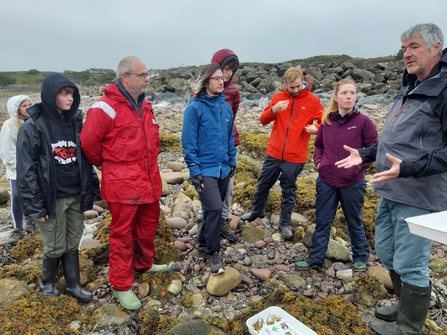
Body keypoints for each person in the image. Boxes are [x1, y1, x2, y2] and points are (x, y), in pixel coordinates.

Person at [335, 23, 446, 334]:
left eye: (414, 47)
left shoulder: (444, 88)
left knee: (411, 260)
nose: (406, 54)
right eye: (403, 48)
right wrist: (368, 154)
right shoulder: (411, 83)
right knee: (386, 250)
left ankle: (409, 327)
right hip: (390, 186)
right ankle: (402, 301)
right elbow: (400, 138)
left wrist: (408, 168)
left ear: (436, 48)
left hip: (419, 193)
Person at [80, 56, 168, 311]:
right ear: (124, 78)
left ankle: (143, 263)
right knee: (122, 234)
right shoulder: (104, 107)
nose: (146, 79)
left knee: (148, 224)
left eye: (146, 74)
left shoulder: (146, 105)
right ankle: (120, 284)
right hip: (122, 186)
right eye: (141, 75)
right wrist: (107, 165)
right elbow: (88, 143)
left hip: (149, 181)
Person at [16, 73, 97, 303]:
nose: (70, 98)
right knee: (54, 244)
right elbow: (26, 171)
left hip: (74, 194)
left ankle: (73, 285)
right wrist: (34, 206)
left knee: (72, 242)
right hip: (51, 198)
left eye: (71, 94)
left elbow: (84, 160)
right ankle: (47, 283)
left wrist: (91, 188)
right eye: (64, 94)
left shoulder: (75, 122)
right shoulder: (32, 127)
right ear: (51, 96)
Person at [295, 79, 378, 272]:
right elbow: (319, 146)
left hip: (352, 182)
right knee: (322, 221)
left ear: (356, 96)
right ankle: (316, 258)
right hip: (326, 182)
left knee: (354, 220)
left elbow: (374, 149)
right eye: (344, 93)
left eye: (352, 93)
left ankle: (360, 257)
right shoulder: (327, 121)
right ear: (336, 97)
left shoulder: (363, 122)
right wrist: (319, 163)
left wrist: (360, 166)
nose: (348, 96)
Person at [241, 66, 324, 240]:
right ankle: (257, 211)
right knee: (263, 184)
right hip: (274, 153)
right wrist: (273, 110)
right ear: (285, 83)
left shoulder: (313, 100)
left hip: (295, 156)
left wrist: (316, 128)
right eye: (291, 87)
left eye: (298, 86)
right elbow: (263, 120)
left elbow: (325, 121)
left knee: (289, 190)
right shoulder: (278, 98)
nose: (295, 90)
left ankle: (284, 223)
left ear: (303, 81)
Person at [182, 63, 237, 275]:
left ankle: (203, 241)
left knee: (214, 208)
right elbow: (188, 141)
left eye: (222, 78)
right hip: (204, 169)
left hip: (224, 168)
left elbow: (229, 137)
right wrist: (194, 170)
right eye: (216, 78)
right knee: (214, 208)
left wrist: (232, 161)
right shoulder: (194, 108)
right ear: (206, 81)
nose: (221, 81)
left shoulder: (225, 107)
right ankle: (213, 253)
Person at [195, 49, 240, 244]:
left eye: (232, 70)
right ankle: (204, 221)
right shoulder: (198, 97)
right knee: (208, 189)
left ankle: (222, 219)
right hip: (208, 151)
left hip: (229, 145)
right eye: (226, 68)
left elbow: (231, 119)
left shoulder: (234, 92)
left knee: (227, 187)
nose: (228, 74)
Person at [0, 95, 38, 245]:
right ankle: (17, 228)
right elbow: (6, 151)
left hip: (34, 169)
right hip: (17, 170)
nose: (28, 108)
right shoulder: (9, 125)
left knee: (33, 195)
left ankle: (31, 222)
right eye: (24, 106)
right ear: (16, 109)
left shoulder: (35, 123)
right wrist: (22, 166)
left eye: (29, 104)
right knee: (17, 196)